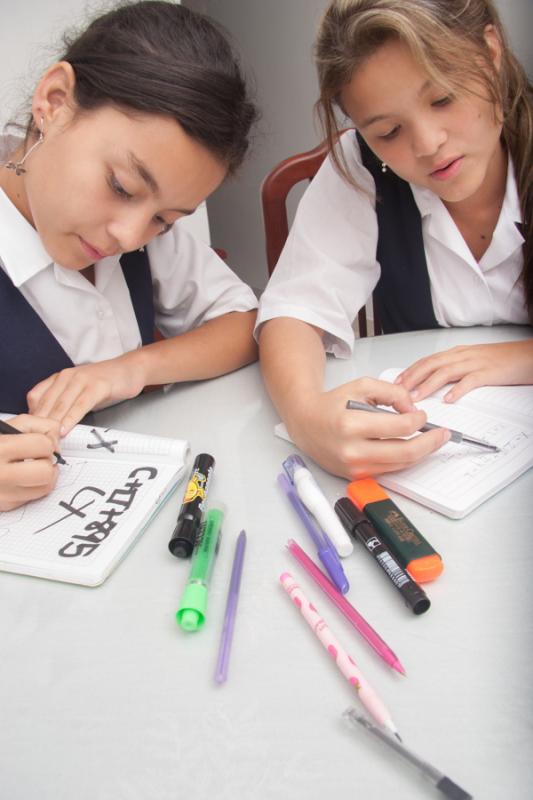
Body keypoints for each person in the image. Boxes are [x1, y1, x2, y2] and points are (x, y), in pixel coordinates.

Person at [257, 0, 533, 480]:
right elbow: (295, 310)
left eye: (444, 98)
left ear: (490, 51)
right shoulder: (359, 167)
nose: (428, 144)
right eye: (389, 131)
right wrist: (306, 417)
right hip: (432, 465)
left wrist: (521, 357)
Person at [0, 0, 259, 510]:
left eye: (166, 218)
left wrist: (131, 369)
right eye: (121, 186)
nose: (130, 235)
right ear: (53, 102)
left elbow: (244, 324)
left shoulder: (144, 231)